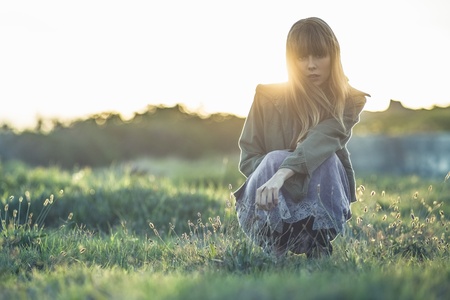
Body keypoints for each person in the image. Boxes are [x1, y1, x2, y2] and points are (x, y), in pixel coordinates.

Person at [233, 17, 369, 258]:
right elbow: (248, 159)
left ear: (334, 56)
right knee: (274, 158)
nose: (311, 65)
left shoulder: (349, 101)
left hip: (320, 204)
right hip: (269, 205)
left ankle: (318, 247)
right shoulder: (266, 97)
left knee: (326, 159)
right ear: (290, 60)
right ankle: (275, 249)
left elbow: (321, 140)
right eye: (302, 57)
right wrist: (277, 174)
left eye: (319, 55)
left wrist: (283, 174)